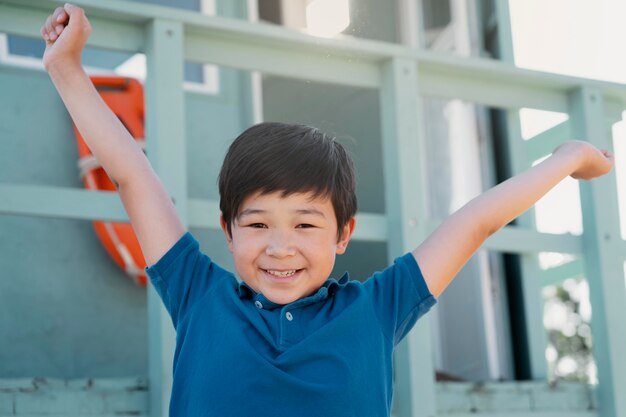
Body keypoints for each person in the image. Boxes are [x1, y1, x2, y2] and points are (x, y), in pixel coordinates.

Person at [41, 4, 614, 417]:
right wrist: (67, 69)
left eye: (305, 224)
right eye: (259, 223)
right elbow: (130, 175)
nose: (280, 246)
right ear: (228, 230)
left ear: (344, 234)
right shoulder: (198, 293)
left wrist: (563, 160)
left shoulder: (377, 308)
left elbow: (474, 223)